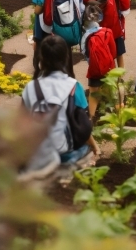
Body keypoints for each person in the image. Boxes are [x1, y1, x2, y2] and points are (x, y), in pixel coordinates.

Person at [21, 35, 98, 178]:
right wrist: (94, 147)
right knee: (85, 149)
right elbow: (84, 127)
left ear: (41, 60)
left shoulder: (30, 88)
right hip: (64, 155)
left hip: (36, 155)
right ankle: (74, 170)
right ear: (65, 58)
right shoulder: (74, 87)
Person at [42, 0, 83, 75]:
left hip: (51, 29)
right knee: (66, 60)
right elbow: (79, 10)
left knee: (55, 60)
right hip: (68, 30)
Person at [91, 0, 130, 68]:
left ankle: (104, 74)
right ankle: (119, 79)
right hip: (116, 28)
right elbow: (125, 11)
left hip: (99, 26)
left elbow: (93, 4)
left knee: (102, 51)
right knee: (119, 53)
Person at [80, 1, 117, 117]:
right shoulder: (107, 32)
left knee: (92, 93)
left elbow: (85, 54)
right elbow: (114, 53)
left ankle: (91, 117)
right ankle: (118, 115)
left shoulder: (85, 37)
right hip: (109, 67)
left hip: (94, 69)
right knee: (112, 92)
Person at [32, 0, 56, 75]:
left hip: (42, 25)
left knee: (40, 45)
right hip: (56, 23)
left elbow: (37, 10)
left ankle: (39, 69)